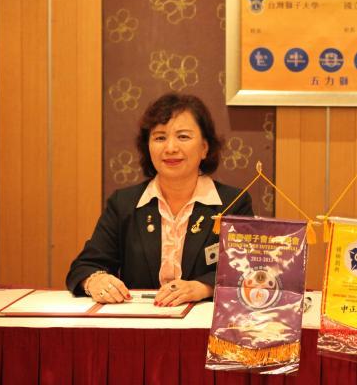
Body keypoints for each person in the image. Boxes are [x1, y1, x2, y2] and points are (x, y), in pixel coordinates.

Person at [67, 93, 253, 306]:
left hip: (204, 321)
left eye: (183, 137)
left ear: (204, 147)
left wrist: (202, 287)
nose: (170, 148)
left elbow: (246, 269)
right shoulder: (124, 203)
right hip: (140, 321)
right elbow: (84, 266)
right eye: (160, 138)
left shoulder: (234, 203)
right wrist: (95, 280)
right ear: (148, 147)